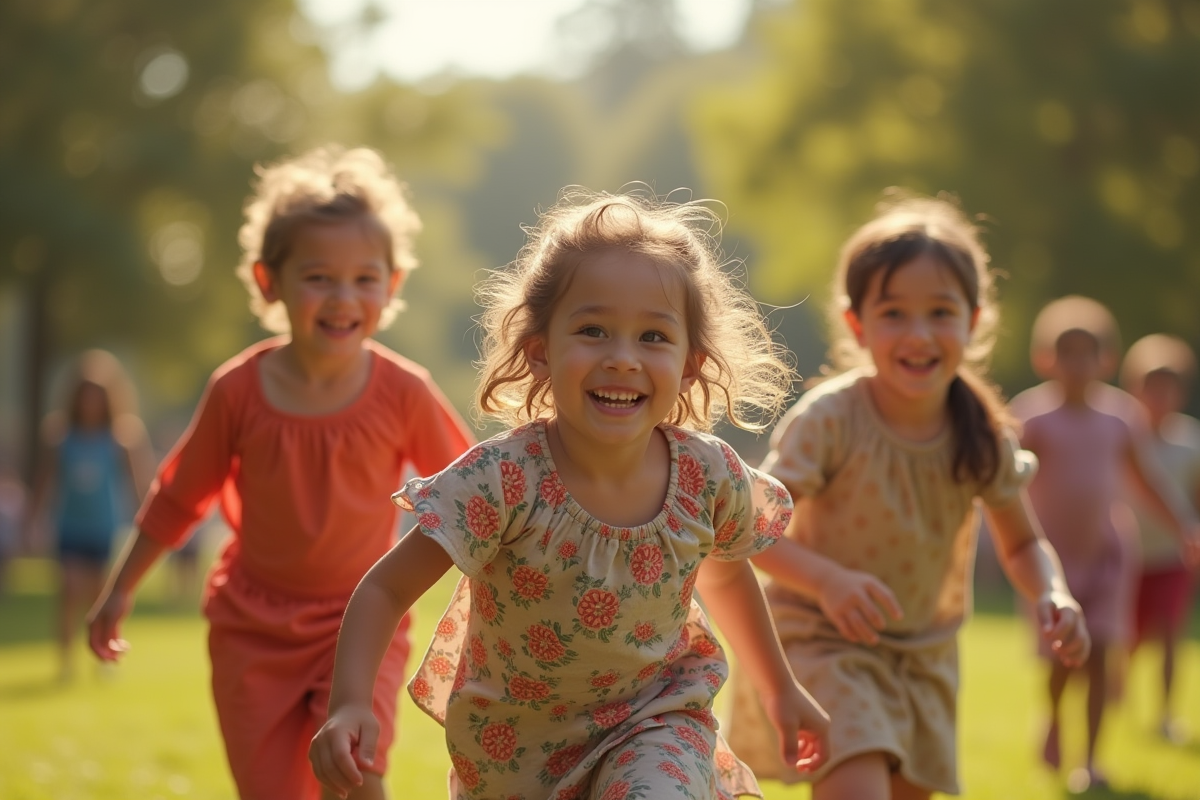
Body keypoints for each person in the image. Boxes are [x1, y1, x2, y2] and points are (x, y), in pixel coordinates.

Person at [308, 188, 831, 800]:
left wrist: (779, 688)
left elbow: (726, 574)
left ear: (691, 362)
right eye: (593, 330)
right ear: (541, 352)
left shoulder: (706, 475)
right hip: (515, 754)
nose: (622, 358)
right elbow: (386, 587)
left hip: (656, 719)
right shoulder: (502, 479)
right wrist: (348, 704)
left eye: (654, 338)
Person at [87, 145, 474, 800]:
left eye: (364, 278)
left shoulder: (405, 391)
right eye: (319, 277)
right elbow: (178, 497)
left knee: (358, 779)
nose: (343, 297)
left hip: (362, 620)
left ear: (393, 283)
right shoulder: (238, 390)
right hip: (252, 629)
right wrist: (121, 589)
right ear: (270, 281)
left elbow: (476, 493)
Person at [724, 192, 1091, 800]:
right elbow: (750, 529)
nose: (918, 334)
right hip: (825, 642)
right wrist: (827, 581)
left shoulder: (981, 434)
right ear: (856, 324)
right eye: (894, 313)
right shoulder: (831, 420)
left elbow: (1024, 542)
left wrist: (1053, 592)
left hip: (924, 657)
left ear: (972, 322)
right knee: (860, 780)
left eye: (940, 312)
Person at [1011, 297, 1200, 791]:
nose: (1076, 364)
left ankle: (1089, 761)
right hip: (1051, 559)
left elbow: (1149, 479)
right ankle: (1053, 717)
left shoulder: (1120, 418)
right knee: (1060, 659)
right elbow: (1000, 481)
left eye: (1086, 353)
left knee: (1100, 653)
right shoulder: (1032, 417)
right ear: (1044, 358)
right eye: (1065, 352)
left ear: (1106, 360)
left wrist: (1184, 525)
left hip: (1109, 555)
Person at [24, 350, 154, 681]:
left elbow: (140, 486)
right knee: (68, 590)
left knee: (100, 596)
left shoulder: (121, 438)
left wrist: (152, 525)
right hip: (70, 527)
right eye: (85, 396)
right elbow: (44, 482)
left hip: (103, 528)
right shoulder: (61, 437)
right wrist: (32, 520)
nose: (90, 403)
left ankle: (102, 657)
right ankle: (66, 662)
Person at [1119, 333, 1200, 744]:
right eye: (1150, 387)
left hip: (1172, 558)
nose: (1158, 397)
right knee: (1130, 638)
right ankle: (1118, 696)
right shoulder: (1121, 437)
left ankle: (1166, 714)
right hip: (1126, 558)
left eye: (1167, 388)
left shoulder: (1191, 442)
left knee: (1169, 631)